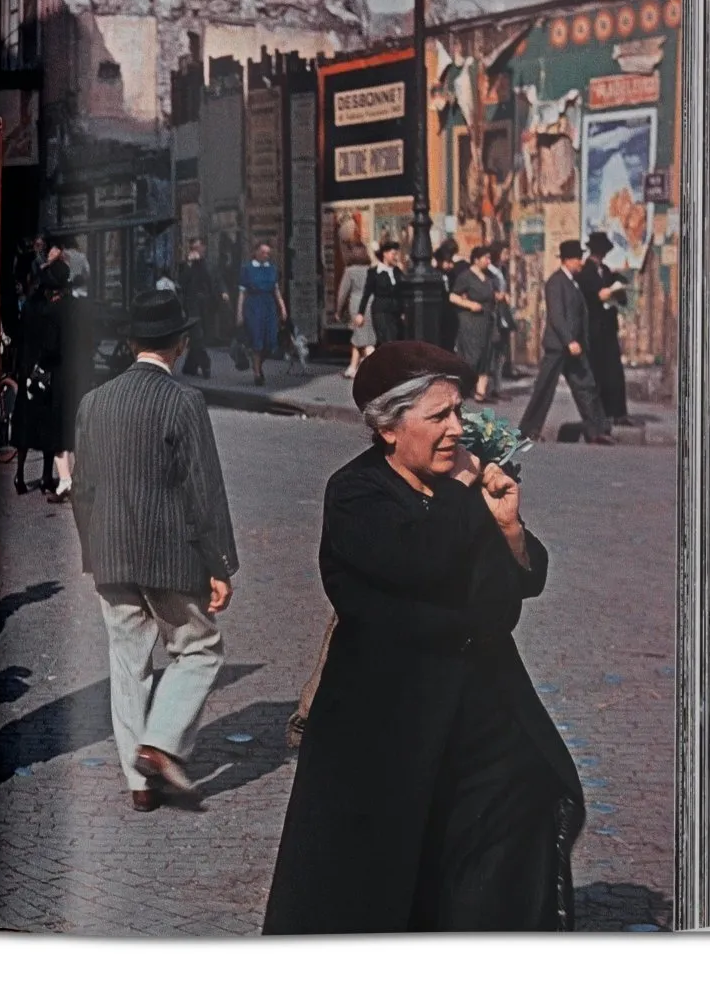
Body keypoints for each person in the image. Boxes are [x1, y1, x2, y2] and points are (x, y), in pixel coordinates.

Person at [263, 341, 584, 932]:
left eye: (458, 413)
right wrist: (468, 499)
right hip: (389, 724)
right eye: (439, 417)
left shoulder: (461, 490)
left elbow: (525, 578)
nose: (457, 430)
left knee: (504, 846)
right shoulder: (357, 493)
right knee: (388, 884)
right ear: (388, 427)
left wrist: (509, 528)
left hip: (483, 715)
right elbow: (423, 561)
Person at [71, 289, 238, 812]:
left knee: (127, 664)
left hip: (111, 553)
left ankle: (137, 783)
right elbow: (203, 490)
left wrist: (93, 550)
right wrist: (221, 565)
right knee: (199, 650)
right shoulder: (183, 401)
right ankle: (161, 745)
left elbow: (82, 488)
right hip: (170, 554)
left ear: (130, 342)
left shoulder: (94, 402)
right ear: (181, 344)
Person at [516, 240, 614, 445]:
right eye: (578, 258)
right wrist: (569, 340)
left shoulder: (573, 281)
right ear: (568, 260)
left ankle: (595, 430)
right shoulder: (555, 282)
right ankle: (527, 430)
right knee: (544, 388)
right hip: (559, 346)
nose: (581, 263)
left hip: (575, 347)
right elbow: (557, 315)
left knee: (586, 386)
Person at [8, 261, 65, 495]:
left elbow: (19, 336)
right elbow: (51, 346)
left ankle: (19, 475)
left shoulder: (29, 307)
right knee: (47, 428)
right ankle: (45, 477)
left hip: (25, 371)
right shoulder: (51, 311)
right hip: (44, 374)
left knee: (24, 427)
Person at [49, 265, 96, 504]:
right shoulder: (84, 309)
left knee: (59, 429)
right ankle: (83, 479)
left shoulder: (56, 311)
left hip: (61, 375)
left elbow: (50, 348)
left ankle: (65, 479)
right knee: (80, 426)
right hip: (83, 373)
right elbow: (92, 341)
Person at [577, 230, 632, 424]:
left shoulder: (606, 271)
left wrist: (618, 291)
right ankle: (599, 414)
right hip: (593, 329)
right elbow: (589, 297)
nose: (602, 256)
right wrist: (602, 293)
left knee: (614, 371)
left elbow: (619, 297)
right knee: (597, 371)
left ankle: (618, 413)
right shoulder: (585, 273)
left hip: (608, 327)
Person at [448, 245, 499, 402]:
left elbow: (490, 295)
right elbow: (453, 297)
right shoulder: (466, 276)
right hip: (471, 321)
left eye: (489, 258)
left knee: (486, 354)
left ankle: (480, 392)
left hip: (486, 320)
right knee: (472, 355)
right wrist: (470, 305)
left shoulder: (488, 276)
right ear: (476, 259)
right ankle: (460, 388)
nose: (488, 261)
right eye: (486, 258)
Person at [236, 240, 287, 387]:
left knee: (270, 342)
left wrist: (282, 308)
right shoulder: (247, 269)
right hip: (254, 307)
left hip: (269, 307)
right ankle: (257, 372)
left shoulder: (272, 269)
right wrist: (239, 313)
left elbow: (276, 291)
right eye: (263, 252)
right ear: (255, 252)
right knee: (257, 340)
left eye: (268, 253)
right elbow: (242, 293)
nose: (266, 256)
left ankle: (257, 363)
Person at [177, 238, 222, 378]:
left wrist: (223, 292)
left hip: (207, 304)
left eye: (198, 248)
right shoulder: (186, 265)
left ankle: (189, 367)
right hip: (192, 304)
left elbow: (216, 280)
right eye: (192, 248)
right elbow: (181, 283)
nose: (195, 251)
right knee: (197, 335)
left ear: (204, 248)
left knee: (202, 336)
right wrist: (189, 264)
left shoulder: (209, 264)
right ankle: (206, 364)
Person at [335, 243, 375, 378]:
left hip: (356, 305)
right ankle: (353, 367)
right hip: (371, 304)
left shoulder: (350, 271)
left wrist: (338, 310)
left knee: (363, 338)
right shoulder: (371, 269)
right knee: (360, 336)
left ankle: (374, 367)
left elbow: (343, 292)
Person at [354, 240, 404, 348]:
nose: (396, 257)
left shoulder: (398, 272)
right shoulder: (374, 272)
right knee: (387, 341)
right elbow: (366, 293)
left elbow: (402, 292)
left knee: (396, 340)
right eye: (393, 254)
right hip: (381, 311)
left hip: (396, 313)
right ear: (385, 254)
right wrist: (360, 313)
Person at [484, 241, 515, 398]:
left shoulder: (502, 270)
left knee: (501, 352)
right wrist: (498, 295)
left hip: (503, 313)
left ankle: (498, 386)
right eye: (504, 252)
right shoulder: (488, 272)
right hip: (494, 314)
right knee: (491, 350)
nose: (507, 256)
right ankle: (487, 387)